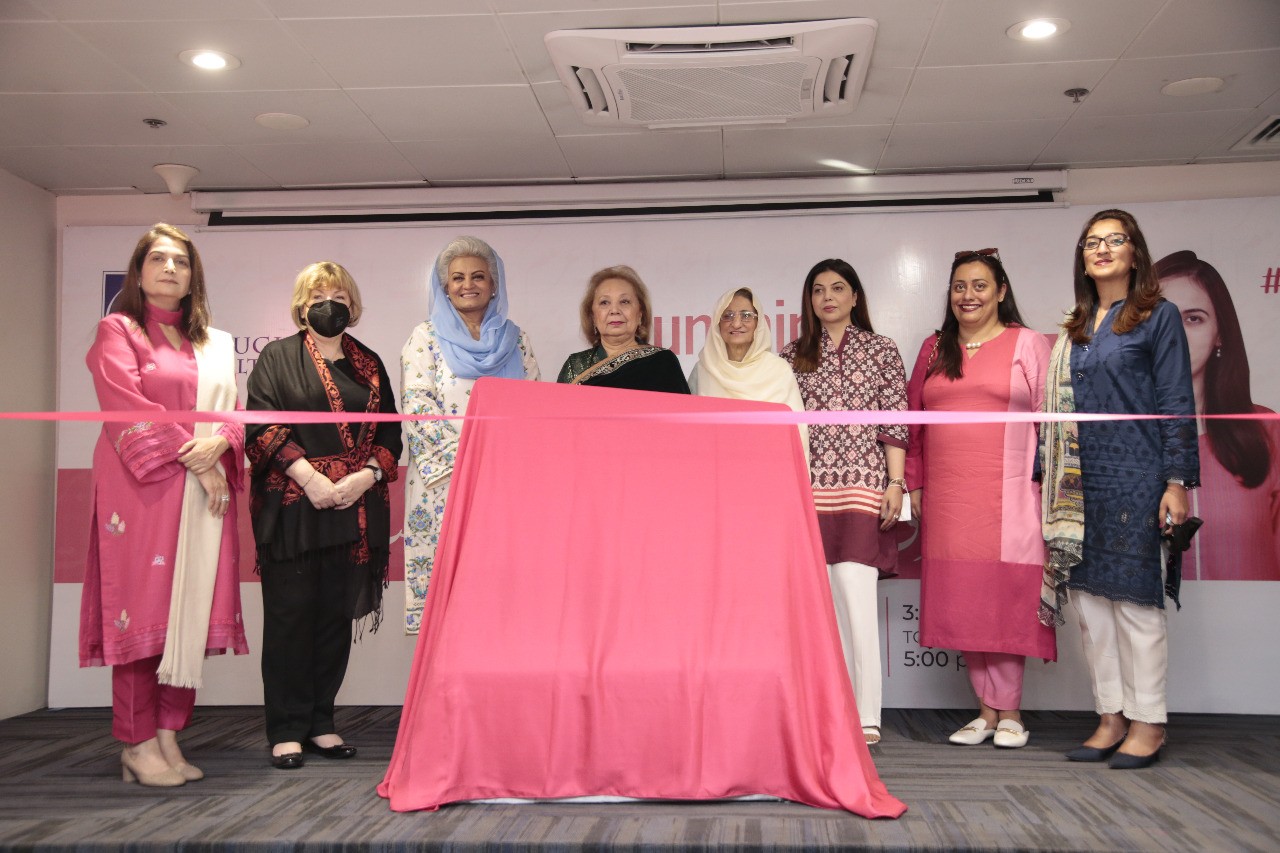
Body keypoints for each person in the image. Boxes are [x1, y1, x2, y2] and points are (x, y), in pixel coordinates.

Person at [81, 223, 247, 787]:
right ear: (139, 271)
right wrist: (198, 457)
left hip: (203, 493)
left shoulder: (215, 343)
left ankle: (169, 734)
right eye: (158, 258)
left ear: (193, 277)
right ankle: (136, 742)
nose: (170, 268)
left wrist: (219, 447)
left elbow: (234, 413)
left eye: (181, 261)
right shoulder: (119, 331)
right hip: (143, 489)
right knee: (143, 613)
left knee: (190, 611)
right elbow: (125, 405)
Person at [1040, 209, 1198, 769]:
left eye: (1115, 240)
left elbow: (1177, 401)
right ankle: (1111, 716)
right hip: (1079, 484)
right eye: (1092, 242)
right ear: (1083, 258)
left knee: (1135, 605)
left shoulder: (1158, 316)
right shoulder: (1075, 326)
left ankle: (1148, 721)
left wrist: (1176, 481)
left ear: (1135, 253)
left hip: (1136, 477)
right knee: (1090, 606)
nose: (1102, 249)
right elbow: (1054, 413)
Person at [246, 261, 402, 770]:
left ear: (352, 305)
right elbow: (262, 427)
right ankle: (286, 729)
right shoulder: (277, 356)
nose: (328, 304)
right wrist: (311, 480)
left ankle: (320, 722)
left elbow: (391, 434)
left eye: (337, 295)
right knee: (290, 619)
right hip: (296, 508)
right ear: (301, 306)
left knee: (334, 620)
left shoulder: (369, 362)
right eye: (317, 297)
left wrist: (364, 479)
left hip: (355, 509)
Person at [905, 249, 1056, 749]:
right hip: (949, 500)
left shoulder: (1027, 343)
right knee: (964, 600)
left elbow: (1052, 422)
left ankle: (1010, 711)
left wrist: (1051, 490)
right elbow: (912, 423)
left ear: (1001, 291)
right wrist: (915, 485)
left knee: (1006, 598)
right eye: (959, 287)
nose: (968, 296)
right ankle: (986, 712)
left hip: (1012, 495)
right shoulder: (933, 348)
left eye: (979, 285)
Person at [780, 258, 908, 745]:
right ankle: (826, 714)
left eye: (837, 288)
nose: (827, 297)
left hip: (862, 488)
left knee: (857, 601)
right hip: (807, 493)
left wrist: (895, 483)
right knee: (818, 611)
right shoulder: (790, 356)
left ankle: (865, 715)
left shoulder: (881, 349)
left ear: (855, 296)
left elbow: (895, 421)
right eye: (818, 290)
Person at [402, 236, 540, 634]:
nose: (468, 285)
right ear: (445, 286)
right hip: (444, 485)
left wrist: (498, 464)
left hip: (505, 484)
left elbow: (533, 407)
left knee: (502, 597)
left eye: (479, 276)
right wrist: (470, 462)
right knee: (449, 607)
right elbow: (418, 407)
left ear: (494, 285)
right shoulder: (424, 338)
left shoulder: (517, 340)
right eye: (458, 277)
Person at [1155, 251, 1279, 580]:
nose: (1175, 334)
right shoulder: (1120, 435)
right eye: (1161, 317)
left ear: (1220, 332)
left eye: (1193, 318)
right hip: (1152, 611)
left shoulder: (1266, 430)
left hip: (1252, 611)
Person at [690, 286, 807, 458]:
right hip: (714, 468)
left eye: (746, 315)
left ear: (758, 323)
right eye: (727, 316)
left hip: (767, 468)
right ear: (717, 323)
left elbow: (797, 434)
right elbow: (691, 434)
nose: (736, 323)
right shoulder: (703, 370)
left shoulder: (778, 370)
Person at [556, 265, 689, 393]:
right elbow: (557, 408)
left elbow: (681, 409)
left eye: (624, 301)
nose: (614, 310)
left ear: (640, 314)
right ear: (593, 317)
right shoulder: (575, 365)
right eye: (604, 302)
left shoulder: (662, 362)